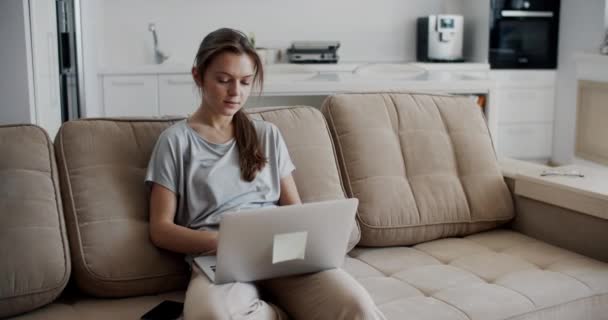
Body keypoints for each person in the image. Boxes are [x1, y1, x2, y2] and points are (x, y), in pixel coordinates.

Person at [145, 28, 384, 320]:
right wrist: (224, 241)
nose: (236, 92)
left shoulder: (267, 135)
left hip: (281, 252)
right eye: (223, 81)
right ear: (198, 76)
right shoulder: (175, 141)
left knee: (357, 306)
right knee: (211, 316)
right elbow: (161, 229)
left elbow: (293, 209)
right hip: (218, 258)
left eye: (245, 82)